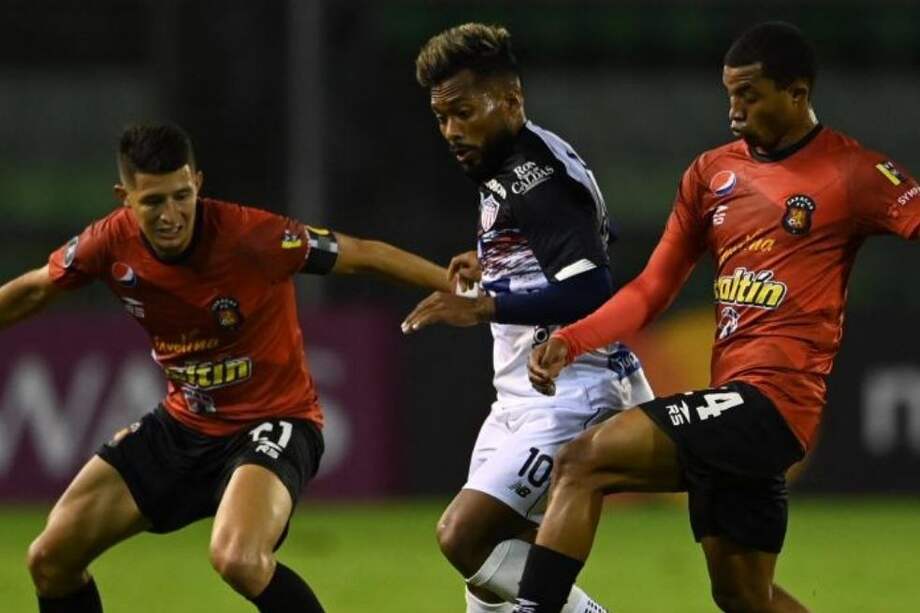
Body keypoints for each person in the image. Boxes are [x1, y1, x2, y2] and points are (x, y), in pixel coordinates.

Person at [513, 21, 920, 613]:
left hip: (774, 402)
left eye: (749, 95)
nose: (734, 110)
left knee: (583, 460)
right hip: (734, 400)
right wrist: (572, 341)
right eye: (730, 94)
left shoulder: (852, 172)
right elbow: (651, 289)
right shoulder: (710, 175)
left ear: (797, 94)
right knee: (742, 596)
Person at [5, 123, 452, 613]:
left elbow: (362, 254)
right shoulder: (107, 243)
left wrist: (456, 286)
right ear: (124, 198)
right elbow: (34, 290)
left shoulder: (252, 236)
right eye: (153, 202)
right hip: (183, 425)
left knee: (238, 557)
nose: (171, 215)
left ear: (197, 183)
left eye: (182, 196)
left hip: (275, 422)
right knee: (50, 559)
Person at [402, 23, 653, 613]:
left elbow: (592, 287)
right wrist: (495, 260)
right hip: (520, 395)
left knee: (463, 536)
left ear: (510, 100)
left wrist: (485, 304)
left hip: (572, 390)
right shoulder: (519, 157)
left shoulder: (532, 177)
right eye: (442, 118)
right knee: (487, 576)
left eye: (464, 112)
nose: (451, 130)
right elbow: (593, 232)